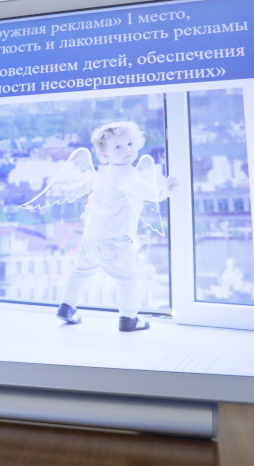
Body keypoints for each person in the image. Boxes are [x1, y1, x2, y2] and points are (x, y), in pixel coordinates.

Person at [22, 120, 176, 332]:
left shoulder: (105, 175)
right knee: (128, 280)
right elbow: (148, 192)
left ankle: (67, 306)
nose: (127, 150)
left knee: (79, 273)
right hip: (114, 241)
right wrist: (166, 190)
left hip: (90, 239)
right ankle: (128, 318)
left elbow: (92, 203)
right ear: (105, 154)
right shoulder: (127, 175)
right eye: (118, 147)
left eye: (130, 144)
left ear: (137, 143)